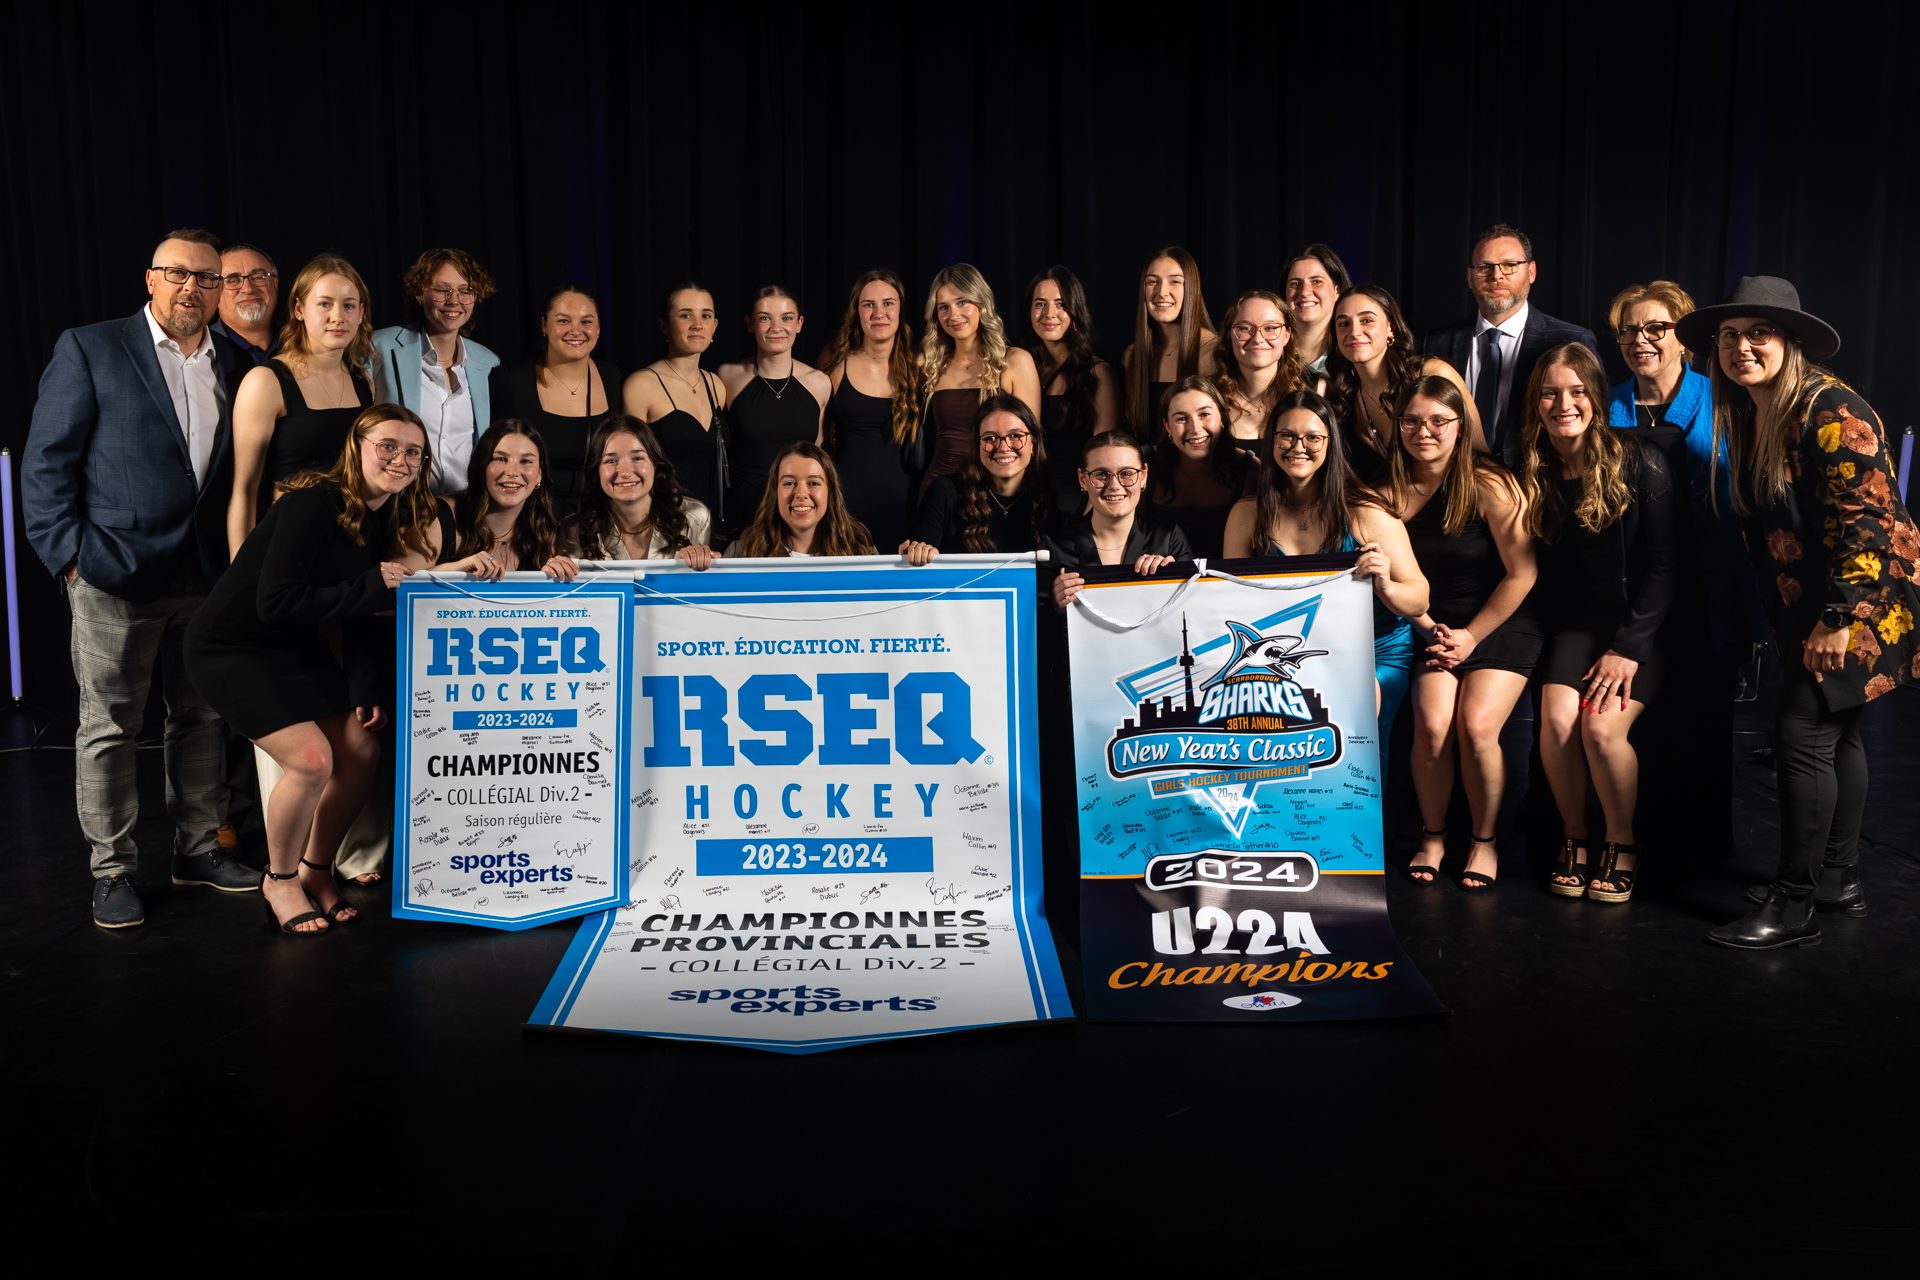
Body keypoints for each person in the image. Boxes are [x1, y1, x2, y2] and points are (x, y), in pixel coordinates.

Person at [23, 228, 260, 927]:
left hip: (207, 577)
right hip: (111, 573)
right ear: (151, 279)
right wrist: (69, 558)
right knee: (109, 728)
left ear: (221, 289)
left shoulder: (242, 362)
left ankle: (197, 851)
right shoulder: (91, 347)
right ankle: (113, 870)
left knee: (201, 718)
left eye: (207, 278)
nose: (193, 288)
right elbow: (46, 465)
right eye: (178, 274)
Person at [1678, 278, 1920, 949]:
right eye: (1730, 336)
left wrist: (1840, 618)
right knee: (1836, 733)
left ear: (1790, 341)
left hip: (1864, 601)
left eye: (1760, 333)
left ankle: (1793, 906)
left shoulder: (1830, 410)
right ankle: (1836, 877)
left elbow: (1868, 524)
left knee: (1802, 736)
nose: (1742, 347)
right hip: (1813, 604)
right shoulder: (1756, 412)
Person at [184, 405, 491, 934]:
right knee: (310, 760)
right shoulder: (311, 505)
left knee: (362, 747)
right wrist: (376, 583)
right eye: (387, 446)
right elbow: (275, 603)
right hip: (232, 647)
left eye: (413, 452)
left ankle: (315, 869)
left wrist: (363, 686)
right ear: (357, 446)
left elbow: (365, 612)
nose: (400, 459)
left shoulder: (382, 518)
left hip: (293, 649)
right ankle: (278, 879)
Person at [1606, 280, 1766, 865]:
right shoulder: (1607, 404)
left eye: (1656, 328)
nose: (1640, 340)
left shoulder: (1724, 401)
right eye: (1629, 330)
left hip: (1709, 592)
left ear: (1684, 338)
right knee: (1635, 729)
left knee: (1700, 727)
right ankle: (1631, 845)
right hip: (1632, 593)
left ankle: (1696, 857)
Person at [1515, 343, 1674, 906]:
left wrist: (1629, 646)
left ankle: (1621, 842)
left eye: (1577, 391)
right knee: (1557, 726)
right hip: (1575, 629)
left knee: (1601, 732)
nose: (1564, 403)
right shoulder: (1534, 468)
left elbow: (1663, 566)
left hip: (1638, 631)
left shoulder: (1638, 460)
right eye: (1551, 392)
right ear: (1536, 402)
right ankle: (1574, 837)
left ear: (1597, 398)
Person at [1390, 376, 1540, 890]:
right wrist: (1431, 629)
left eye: (1438, 421)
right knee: (1433, 726)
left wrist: (1472, 636)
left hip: (1498, 621)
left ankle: (1484, 840)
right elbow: (1389, 578)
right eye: (1412, 420)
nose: (1424, 431)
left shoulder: (1489, 483)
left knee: (1476, 727)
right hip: (1430, 625)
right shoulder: (1388, 488)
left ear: (1460, 426)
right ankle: (1433, 836)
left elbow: (1523, 574)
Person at [1223, 389, 1429, 748]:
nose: (1297, 446)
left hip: (1373, 648)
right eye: (1286, 435)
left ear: (1331, 444)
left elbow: (1420, 599)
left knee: (1354, 706)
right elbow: (1227, 599)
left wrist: (1386, 585)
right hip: (1285, 653)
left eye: (1312, 437)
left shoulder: (1365, 512)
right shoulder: (1247, 514)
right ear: (1271, 442)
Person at [226, 255, 376, 557]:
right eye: (324, 304)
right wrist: (240, 579)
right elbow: (244, 492)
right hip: (287, 549)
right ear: (299, 310)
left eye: (348, 305)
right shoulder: (266, 381)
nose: (338, 316)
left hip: (350, 545)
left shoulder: (364, 382)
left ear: (361, 314)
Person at [1425, 224, 1599, 466]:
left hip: (1540, 484)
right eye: (1484, 267)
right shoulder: (1439, 343)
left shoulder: (1571, 340)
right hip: (1456, 481)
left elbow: (1593, 427)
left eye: (1509, 265)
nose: (1496, 276)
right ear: (1469, 277)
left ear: (1531, 272)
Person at [372, 248, 502, 496]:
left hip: (464, 511)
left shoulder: (488, 363)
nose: (454, 301)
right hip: (400, 506)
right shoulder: (379, 347)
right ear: (420, 293)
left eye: (465, 291)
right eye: (442, 290)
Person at [1323, 284, 1481, 485]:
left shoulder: (1433, 374)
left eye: (1367, 321)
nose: (1354, 331)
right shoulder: (1345, 398)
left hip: (1456, 501)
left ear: (1392, 329)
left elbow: (1479, 454)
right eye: (1344, 323)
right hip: (1392, 509)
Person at [490, 285, 618, 519]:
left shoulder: (613, 378)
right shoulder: (510, 380)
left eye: (586, 322)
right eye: (563, 321)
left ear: (598, 328)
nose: (576, 330)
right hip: (527, 518)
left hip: (598, 519)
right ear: (544, 326)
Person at [918, 264, 1042, 501]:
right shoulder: (929, 365)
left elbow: (1030, 443)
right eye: (943, 307)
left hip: (998, 492)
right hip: (939, 490)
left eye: (962, 302)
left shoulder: (1015, 361)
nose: (953, 314)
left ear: (982, 304)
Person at [821, 269, 922, 553]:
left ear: (900, 310)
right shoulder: (835, 363)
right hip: (846, 509)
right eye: (869, 305)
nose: (879, 313)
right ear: (857, 311)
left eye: (888, 303)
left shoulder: (920, 366)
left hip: (906, 508)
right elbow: (819, 442)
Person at [622, 282, 730, 532]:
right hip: (664, 525)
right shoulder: (641, 385)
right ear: (664, 326)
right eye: (685, 315)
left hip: (716, 523)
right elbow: (629, 466)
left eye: (706, 315)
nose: (697, 324)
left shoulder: (716, 384)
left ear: (714, 326)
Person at [717, 286, 830, 521]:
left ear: (799, 323)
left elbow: (818, 456)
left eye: (786, 318)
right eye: (764, 318)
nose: (776, 328)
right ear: (749, 324)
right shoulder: (728, 377)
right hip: (745, 513)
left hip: (800, 515)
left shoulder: (819, 383)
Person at [1048, 430, 1192, 607]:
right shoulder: (1054, 547)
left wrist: (1177, 583)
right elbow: (1033, 624)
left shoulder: (1169, 539)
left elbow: (1191, 616)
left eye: (1126, 473)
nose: (1114, 486)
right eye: (1101, 475)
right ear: (1083, 480)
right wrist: (1053, 602)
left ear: (1144, 476)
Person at [550, 416, 716, 570]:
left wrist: (705, 563)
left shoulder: (695, 517)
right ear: (596, 471)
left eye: (637, 458)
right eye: (611, 461)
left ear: (655, 463)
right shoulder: (573, 529)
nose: (625, 472)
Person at [904, 393, 1055, 560]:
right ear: (977, 447)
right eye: (990, 438)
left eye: (1015, 436)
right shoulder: (945, 491)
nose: (1003, 447)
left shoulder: (1045, 499)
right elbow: (919, 566)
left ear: (1033, 445)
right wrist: (918, 552)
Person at [1026, 266, 1120, 511]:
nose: (1049, 313)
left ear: (1076, 309)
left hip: (1074, 502)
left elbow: (1105, 453)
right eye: (1039, 304)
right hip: (1027, 499)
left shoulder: (1097, 373)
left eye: (1060, 304)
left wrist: (1090, 512)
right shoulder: (1021, 366)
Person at [1142, 376, 1247, 560]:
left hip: (1225, 583)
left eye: (1204, 414)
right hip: (1156, 580)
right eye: (1182, 418)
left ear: (1222, 417)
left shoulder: (1248, 469)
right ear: (1167, 426)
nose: (1195, 428)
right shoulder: (1143, 464)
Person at [1122, 246, 1217, 431]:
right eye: (1152, 282)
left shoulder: (1213, 351)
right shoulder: (1132, 356)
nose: (1162, 292)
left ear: (1191, 288)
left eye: (1174, 281)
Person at [451, 421, 564, 574]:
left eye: (525, 461)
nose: (512, 472)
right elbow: (408, 580)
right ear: (482, 465)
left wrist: (548, 582)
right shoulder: (442, 518)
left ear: (539, 473)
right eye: (501, 459)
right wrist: (455, 570)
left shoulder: (545, 533)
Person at [730, 442, 876, 558]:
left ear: (830, 492)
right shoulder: (742, 552)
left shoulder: (862, 550)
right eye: (789, 483)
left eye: (813, 483)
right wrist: (707, 568)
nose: (800, 494)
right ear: (775, 492)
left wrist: (900, 565)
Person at [1216, 290, 1303, 448]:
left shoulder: (1314, 392)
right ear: (1229, 335)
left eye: (1270, 328)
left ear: (1287, 335)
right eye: (1244, 328)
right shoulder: (1208, 398)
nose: (1257, 339)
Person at [1282, 244, 1351, 378]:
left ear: (1337, 291)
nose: (1304, 292)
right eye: (1295, 284)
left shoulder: (1352, 354)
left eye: (1316, 281)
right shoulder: (1268, 354)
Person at [213, 243, 277, 362]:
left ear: (275, 284)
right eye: (232, 280)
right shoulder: (201, 351)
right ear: (214, 293)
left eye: (258, 277)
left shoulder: (304, 343)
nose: (248, 289)